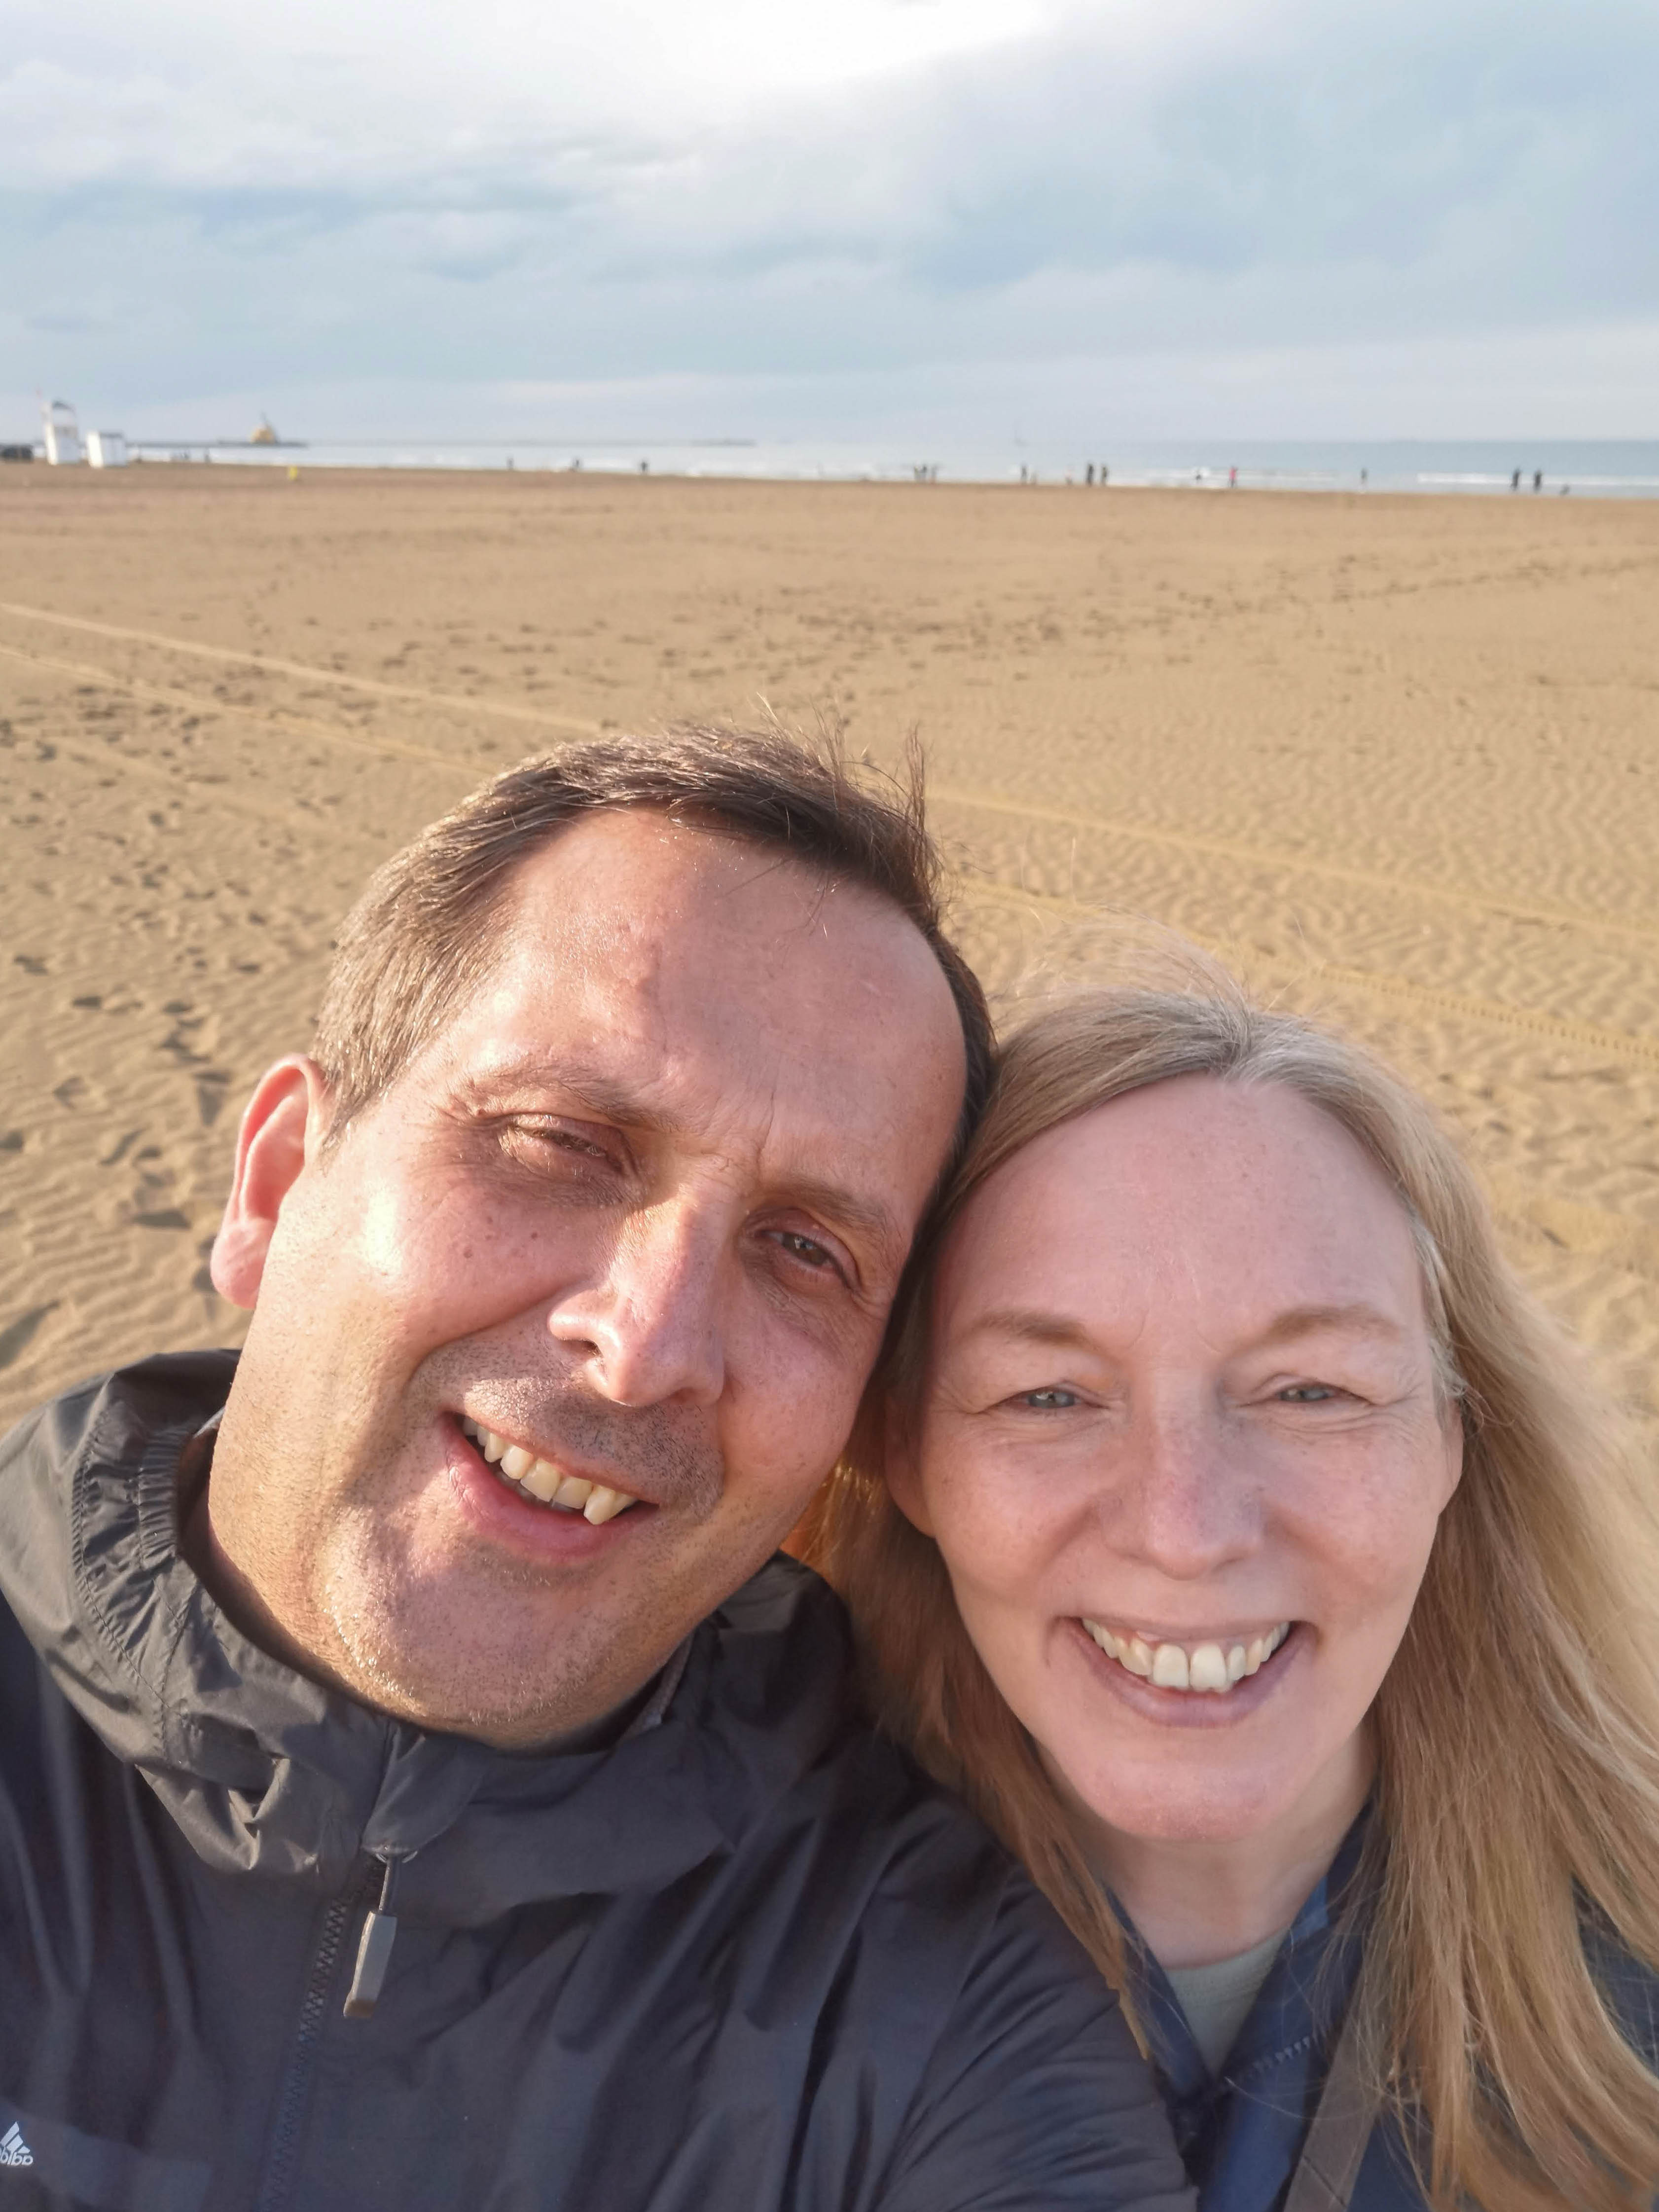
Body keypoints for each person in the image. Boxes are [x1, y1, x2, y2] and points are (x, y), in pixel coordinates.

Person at [0, 731, 1194, 2212]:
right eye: (560, 1141)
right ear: (280, 1180)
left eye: (804, 1249)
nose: (645, 1346)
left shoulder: (928, 2019)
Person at [802, 961, 1659, 2211]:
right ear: (905, 1453)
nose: (1186, 1529)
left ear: (1451, 1439)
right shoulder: (714, 1982)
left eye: (1310, 1390)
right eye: (1048, 1395)